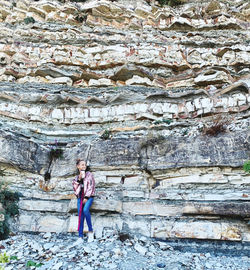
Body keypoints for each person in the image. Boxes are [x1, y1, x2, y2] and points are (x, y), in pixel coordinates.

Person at [72, 159, 95, 244]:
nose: (84, 166)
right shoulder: (76, 178)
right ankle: (80, 237)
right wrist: (79, 179)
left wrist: (86, 197)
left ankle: (91, 232)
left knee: (85, 210)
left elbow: (91, 186)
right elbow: (75, 189)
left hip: (89, 196)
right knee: (80, 216)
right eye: (82, 164)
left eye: (85, 165)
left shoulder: (89, 175)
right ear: (78, 166)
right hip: (79, 198)